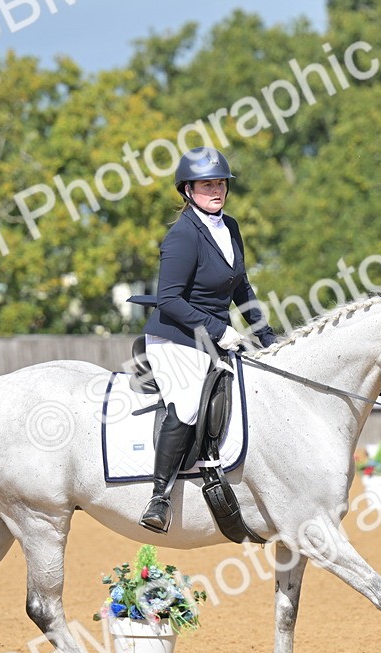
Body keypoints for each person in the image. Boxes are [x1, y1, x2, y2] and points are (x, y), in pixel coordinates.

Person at [138, 146, 278, 533]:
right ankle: (159, 497)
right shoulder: (182, 235)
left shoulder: (229, 227)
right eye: (206, 185)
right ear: (187, 190)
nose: (216, 190)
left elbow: (242, 289)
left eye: (220, 183)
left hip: (214, 338)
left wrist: (268, 339)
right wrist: (220, 330)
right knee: (185, 405)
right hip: (175, 339)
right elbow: (169, 299)